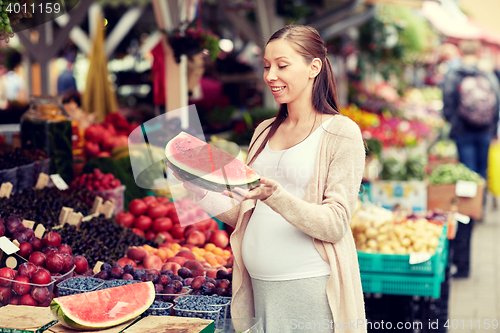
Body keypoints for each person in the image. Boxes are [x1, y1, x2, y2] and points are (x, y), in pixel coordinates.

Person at [168, 25, 367, 332]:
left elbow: (335, 223)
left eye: (282, 65)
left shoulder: (341, 133)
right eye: (266, 66)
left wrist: (276, 196)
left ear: (314, 67)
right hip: (258, 287)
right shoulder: (264, 130)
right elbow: (246, 213)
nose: (270, 75)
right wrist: (196, 186)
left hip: (307, 287)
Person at [443, 40, 500, 210]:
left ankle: (468, 209)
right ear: (479, 53)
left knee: (467, 170)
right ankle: (479, 207)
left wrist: (453, 122)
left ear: (461, 52)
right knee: (482, 168)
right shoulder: (486, 74)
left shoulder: (454, 73)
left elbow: (448, 99)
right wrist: (493, 127)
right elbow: (497, 100)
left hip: (463, 130)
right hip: (484, 130)